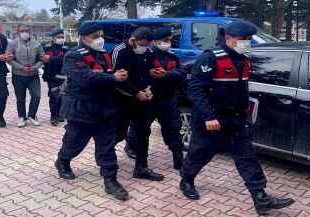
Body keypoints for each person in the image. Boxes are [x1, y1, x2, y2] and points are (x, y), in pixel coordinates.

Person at [180, 21, 294, 215]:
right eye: (243, 39)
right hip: (211, 120)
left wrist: (246, 114)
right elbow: (196, 90)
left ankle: (260, 198)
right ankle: (187, 180)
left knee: (247, 157)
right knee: (200, 154)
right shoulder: (210, 59)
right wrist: (208, 117)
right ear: (229, 39)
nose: (247, 43)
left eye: (249, 39)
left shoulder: (243, 59)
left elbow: (242, 90)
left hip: (236, 120)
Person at [55, 23, 130, 201]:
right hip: (82, 109)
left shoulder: (105, 55)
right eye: (95, 36)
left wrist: (122, 79)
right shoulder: (73, 56)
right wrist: (112, 77)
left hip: (105, 109)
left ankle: (110, 180)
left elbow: (112, 78)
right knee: (74, 142)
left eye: (101, 35)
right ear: (83, 38)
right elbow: (85, 78)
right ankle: (63, 161)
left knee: (107, 146)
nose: (100, 39)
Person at [126, 27, 188, 170]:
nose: (168, 43)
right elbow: (135, 76)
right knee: (140, 129)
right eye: (165, 40)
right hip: (148, 100)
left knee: (173, 129)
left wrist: (167, 74)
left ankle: (178, 159)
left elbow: (182, 73)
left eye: (170, 40)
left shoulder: (172, 57)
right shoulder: (144, 55)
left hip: (168, 100)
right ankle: (132, 148)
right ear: (154, 41)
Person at [112, 27, 163, 182]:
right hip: (122, 99)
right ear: (133, 40)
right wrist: (136, 93)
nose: (145, 48)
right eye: (142, 44)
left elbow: (151, 72)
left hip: (142, 100)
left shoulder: (147, 52)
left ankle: (141, 168)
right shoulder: (120, 51)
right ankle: (105, 160)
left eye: (148, 45)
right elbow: (116, 79)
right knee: (118, 133)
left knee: (143, 132)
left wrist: (149, 88)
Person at [7, 24, 46, 128]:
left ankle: (32, 115)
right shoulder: (13, 44)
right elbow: (9, 58)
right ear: (18, 32)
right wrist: (21, 68)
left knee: (36, 96)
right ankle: (22, 117)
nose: (25, 33)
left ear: (30, 32)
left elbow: (42, 58)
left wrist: (35, 67)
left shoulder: (37, 44)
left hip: (33, 75)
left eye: (27, 31)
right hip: (18, 75)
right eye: (22, 31)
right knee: (20, 98)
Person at [42, 27, 68, 126]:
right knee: (53, 96)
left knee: (62, 95)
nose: (61, 38)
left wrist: (51, 59)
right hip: (51, 76)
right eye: (58, 37)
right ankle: (53, 116)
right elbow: (42, 59)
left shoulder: (66, 48)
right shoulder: (46, 48)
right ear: (53, 38)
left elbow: (66, 60)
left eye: (62, 37)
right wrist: (54, 59)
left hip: (62, 76)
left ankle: (60, 114)